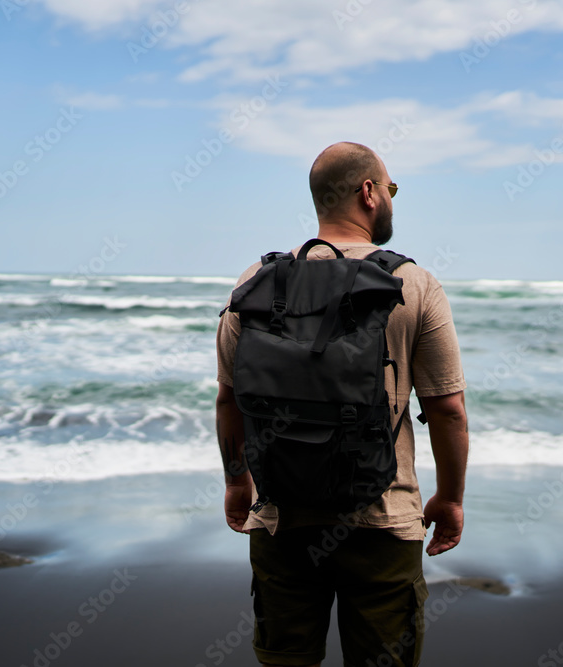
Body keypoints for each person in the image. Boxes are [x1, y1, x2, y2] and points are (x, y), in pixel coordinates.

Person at [215, 141, 469, 667]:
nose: (394, 199)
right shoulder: (413, 283)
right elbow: (448, 410)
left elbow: (229, 399)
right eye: (392, 188)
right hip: (383, 520)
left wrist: (238, 482)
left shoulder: (255, 283)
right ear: (370, 193)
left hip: (282, 518)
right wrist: (449, 498)